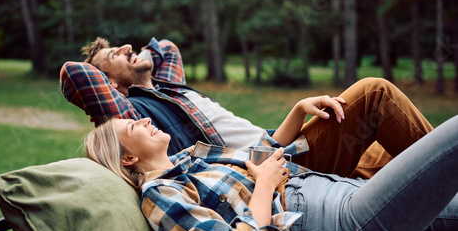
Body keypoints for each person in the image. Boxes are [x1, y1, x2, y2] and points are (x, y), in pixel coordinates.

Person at [83, 115, 458, 231]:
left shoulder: (188, 159)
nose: (146, 120)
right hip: (337, 224)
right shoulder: (160, 194)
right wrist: (264, 184)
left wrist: (297, 114)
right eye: (135, 124)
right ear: (129, 157)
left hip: (336, 190)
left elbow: (261, 157)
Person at [61, 37, 433, 179]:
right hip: (283, 166)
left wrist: (132, 63)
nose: (128, 48)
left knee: (390, 151)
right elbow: (75, 76)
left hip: (281, 145)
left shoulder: (167, 89)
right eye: (116, 54)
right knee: (374, 96)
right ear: (107, 83)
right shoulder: (131, 114)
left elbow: (167, 48)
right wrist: (109, 68)